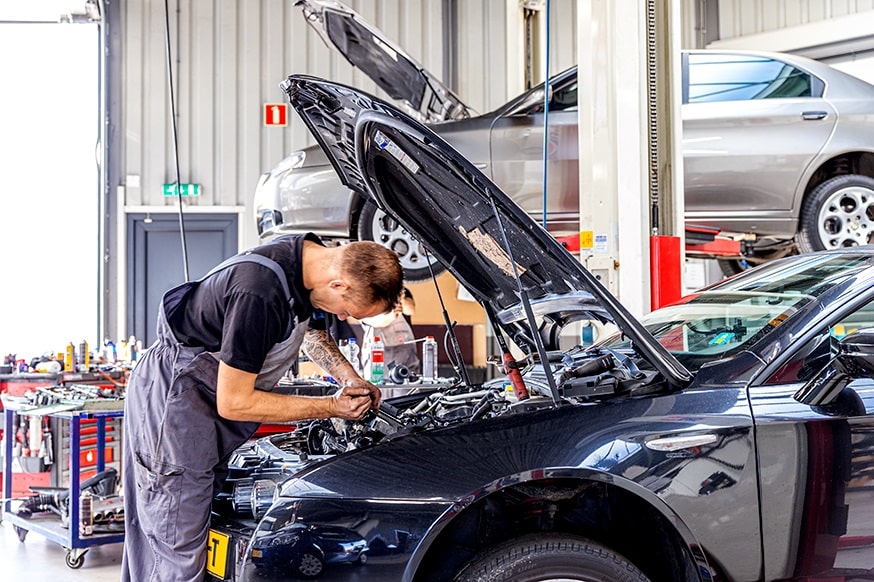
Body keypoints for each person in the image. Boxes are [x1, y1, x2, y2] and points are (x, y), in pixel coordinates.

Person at [120, 233, 403, 581]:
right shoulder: (258, 291)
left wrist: (347, 377)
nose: (342, 316)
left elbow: (310, 330)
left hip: (200, 409)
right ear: (338, 282)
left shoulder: (307, 262)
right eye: (347, 310)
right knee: (174, 543)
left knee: (183, 528)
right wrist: (332, 406)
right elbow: (235, 402)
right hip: (176, 405)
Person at [360, 287, 420, 377]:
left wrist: (401, 299)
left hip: (404, 351)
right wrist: (392, 314)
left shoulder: (399, 288)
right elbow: (373, 322)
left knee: (407, 386)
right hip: (377, 353)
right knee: (378, 386)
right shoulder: (366, 292)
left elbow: (411, 310)